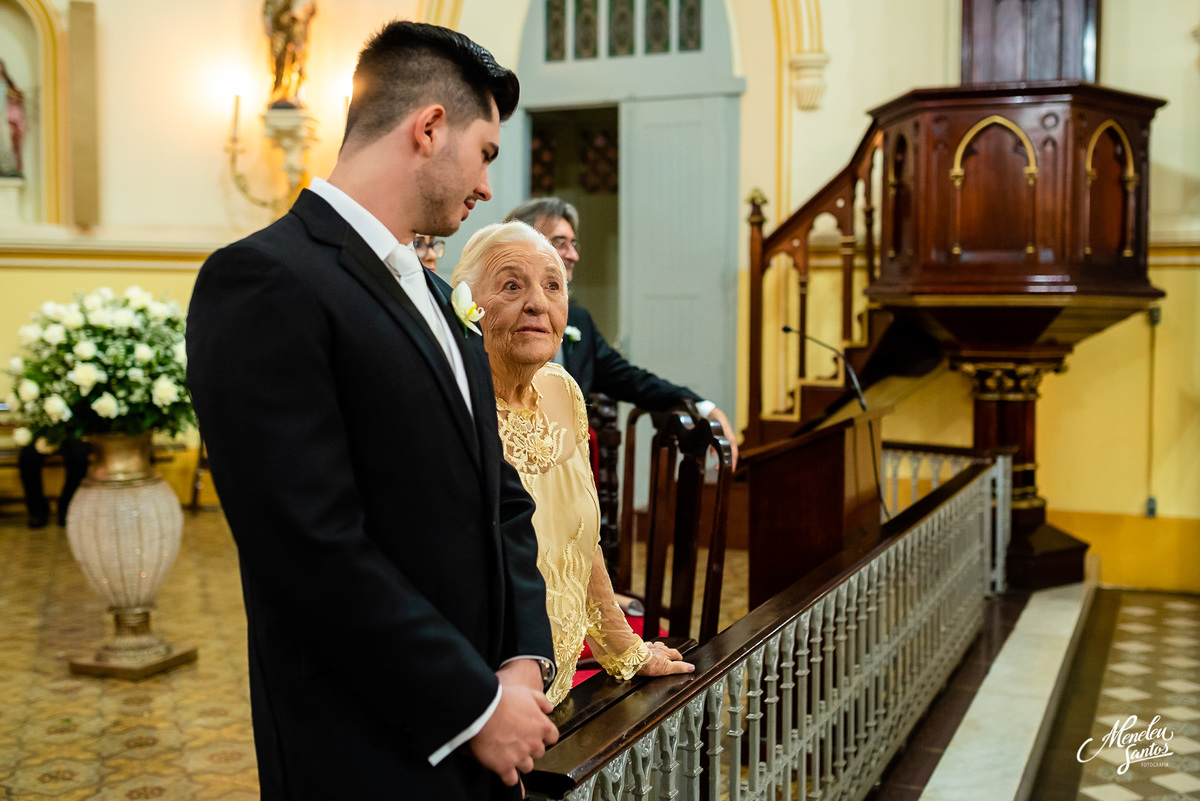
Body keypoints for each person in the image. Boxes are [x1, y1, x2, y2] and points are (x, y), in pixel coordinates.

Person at [187, 22, 557, 801]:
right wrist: (475, 705)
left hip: (487, 727)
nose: (488, 187)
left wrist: (523, 661)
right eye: (486, 153)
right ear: (430, 128)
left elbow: (501, 496)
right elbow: (310, 548)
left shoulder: (433, 293)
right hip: (365, 749)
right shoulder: (265, 280)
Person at [450, 221, 694, 704]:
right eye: (512, 285)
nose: (537, 303)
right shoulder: (454, 402)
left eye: (553, 286)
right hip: (483, 695)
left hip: (556, 687)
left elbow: (582, 545)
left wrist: (626, 649)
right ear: (467, 304)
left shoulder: (562, 389)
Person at [504, 197, 739, 465]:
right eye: (560, 243)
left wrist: (705, 408)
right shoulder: (496, 316)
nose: (573, 255)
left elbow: (631, 379)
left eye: (574, 244)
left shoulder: (578, 321)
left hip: (564, 463)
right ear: (521, 245)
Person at [18, 439, 90, 528]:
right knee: (28, 456)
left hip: (71, 437)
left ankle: (67, 507)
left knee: (79, 454)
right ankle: (37, 510)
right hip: (39, 436)